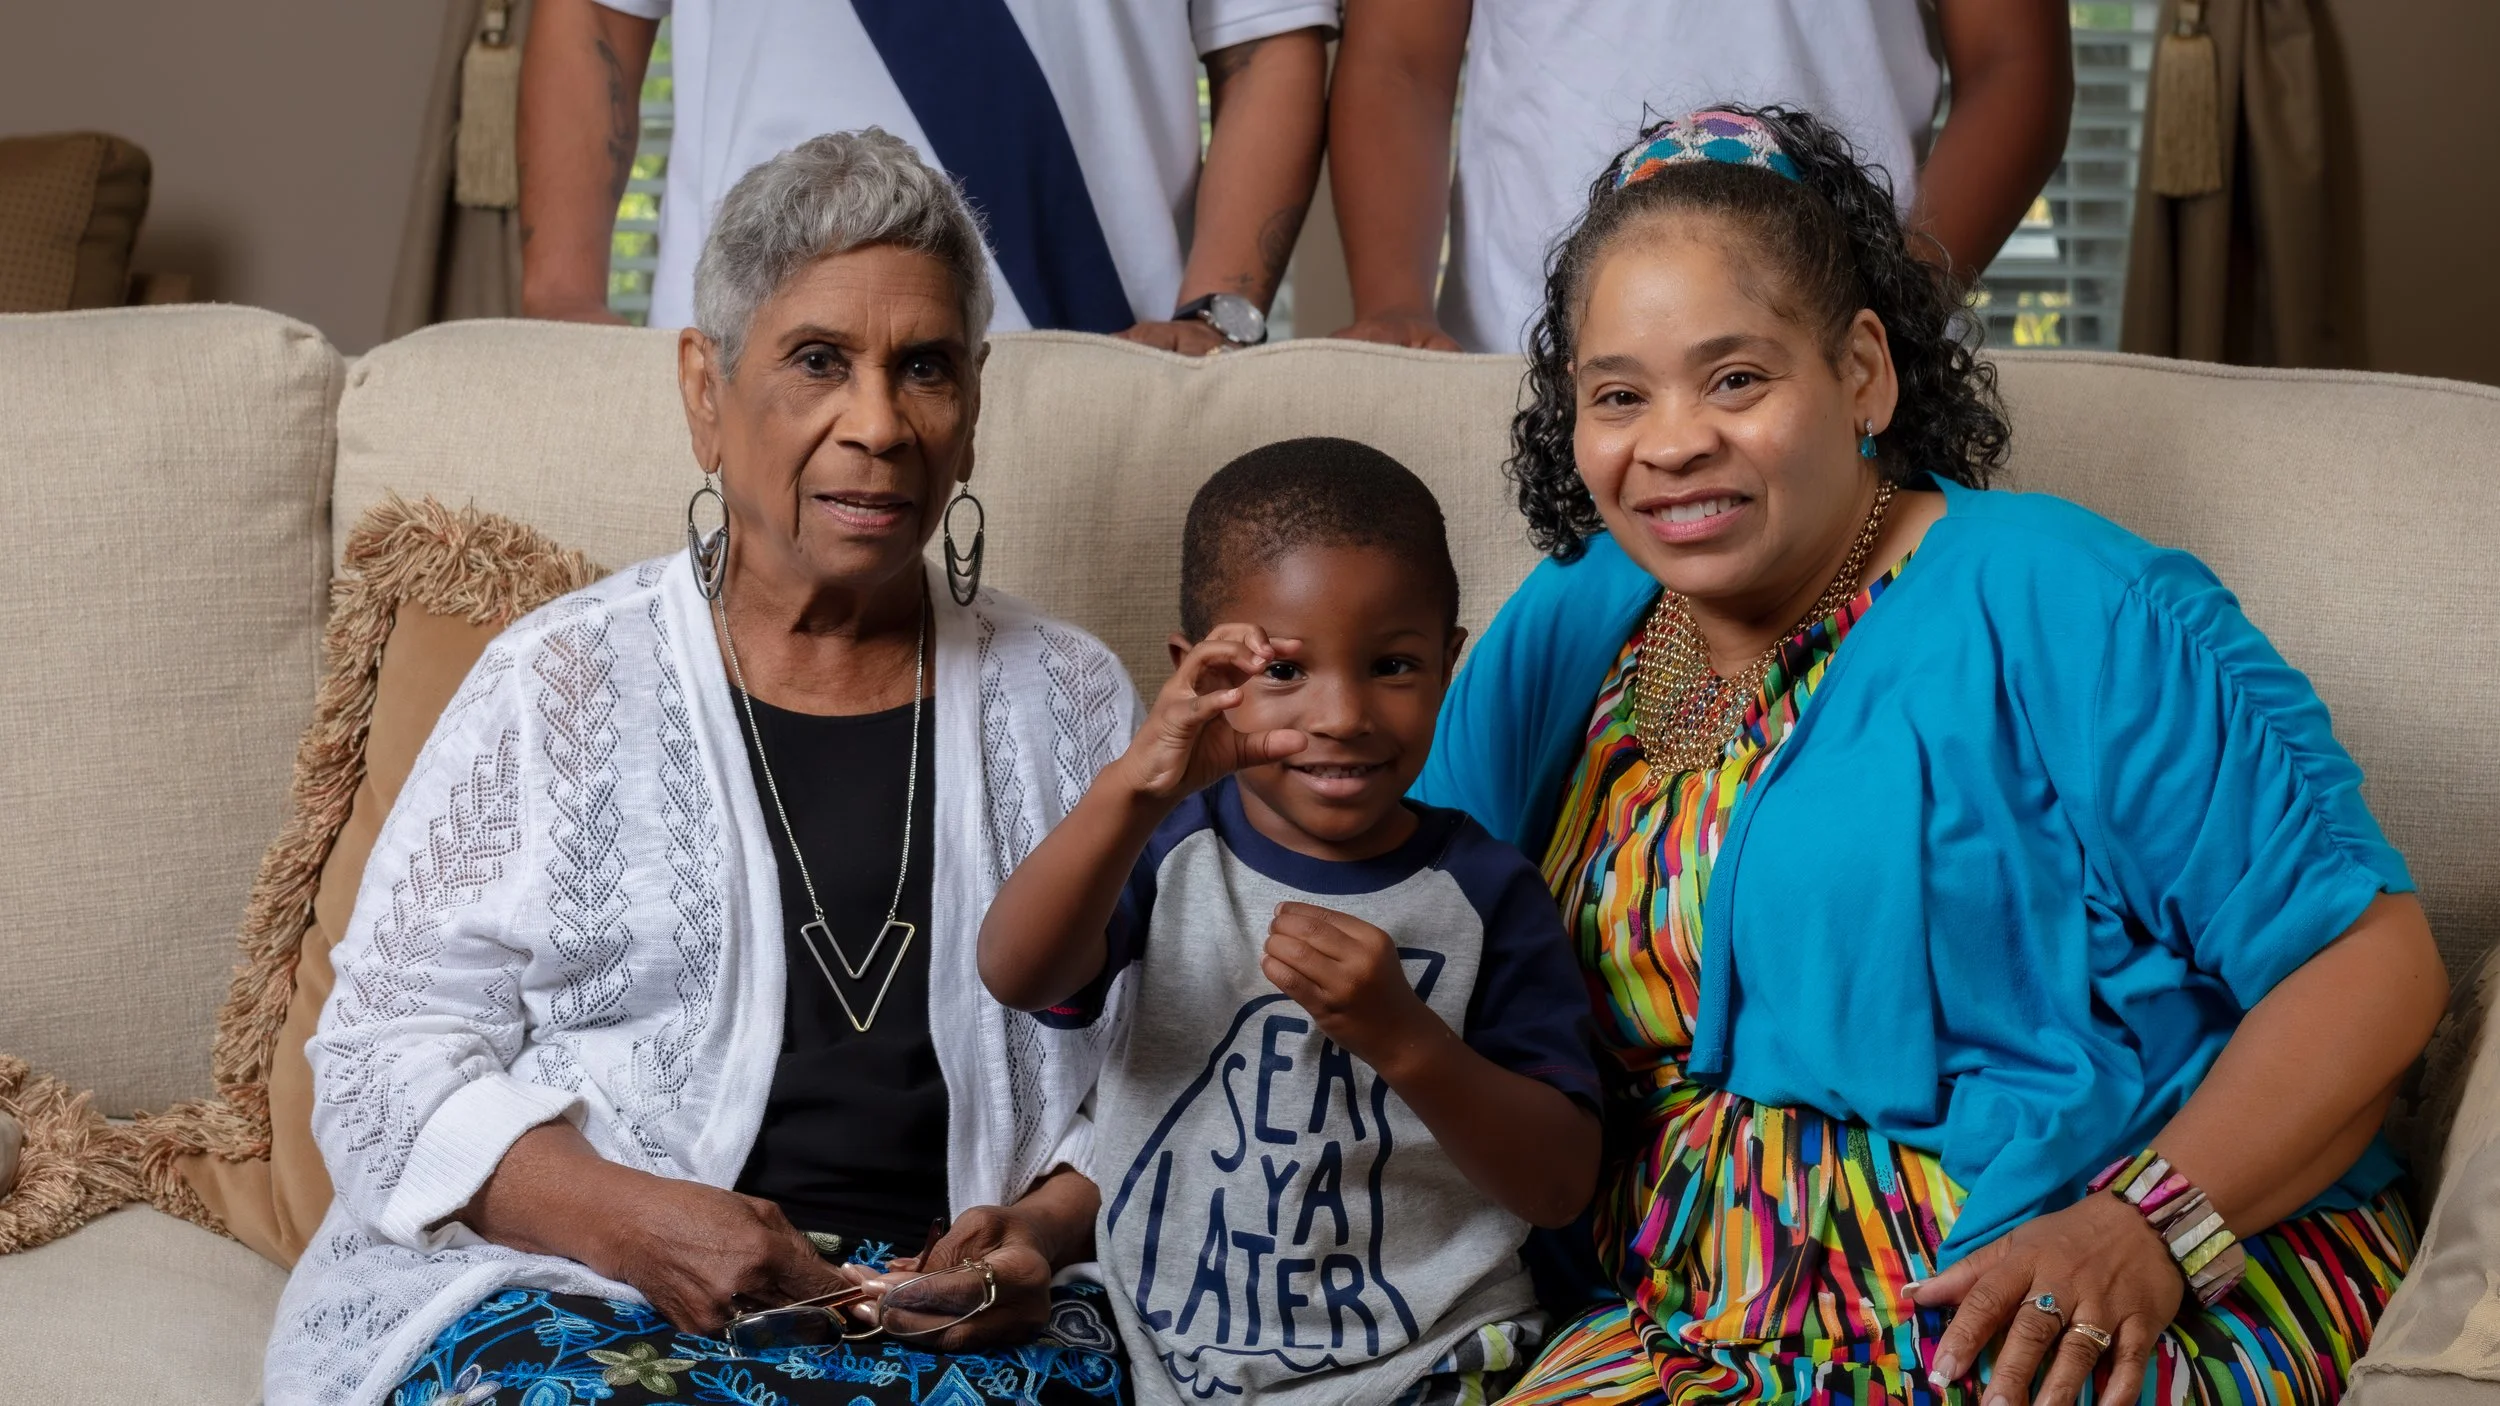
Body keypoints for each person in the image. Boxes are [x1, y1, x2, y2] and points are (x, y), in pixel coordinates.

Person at [1411, 107, 2448, 1405]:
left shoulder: (2062, 598)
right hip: (1695, 1321)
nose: (1670, 442)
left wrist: (2148, 1223)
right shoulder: (1575, 620)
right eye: (1619, 395)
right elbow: (1404, 911)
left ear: (1862, 373)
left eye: (1735, 379)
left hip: (2069, 1301)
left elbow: (2371, 964)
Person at [267, 132, 1147, 1406]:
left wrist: (1042, 1236)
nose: (879, 425)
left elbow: (1165, 1063)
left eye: (925, 367)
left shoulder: (1071, 698)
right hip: (587, 1288)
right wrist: (626, 1216)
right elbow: (376, 1059)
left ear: (972, 404)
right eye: (818, 360)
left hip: (956, 1327)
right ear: (704, 391)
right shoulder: (557, 682)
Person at [978, 439, 1604, 1406]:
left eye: (1392, 665)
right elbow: (1017, 973)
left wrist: (1405, 1039)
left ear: (1449, 663)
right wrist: (1134, 786)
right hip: (1164, 1356)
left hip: (1427, 1362)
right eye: (1284, 670)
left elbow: (1559, 1188)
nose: (1344, 714)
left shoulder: (1487, 894)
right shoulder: (1167, 848)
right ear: (1201, 675)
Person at [520, 0, 1332, 354]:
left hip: (1105, 363)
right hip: (743, 362)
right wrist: (560, 294)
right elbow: (596, 14)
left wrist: (1217, 314)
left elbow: (1265, 40)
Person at [1326, 0, 2073, 352]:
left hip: (1843, 346)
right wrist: (1394, 303)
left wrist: (1898, 311)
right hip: (1519, 348)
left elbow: (2013, 66)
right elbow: (1400, 61)